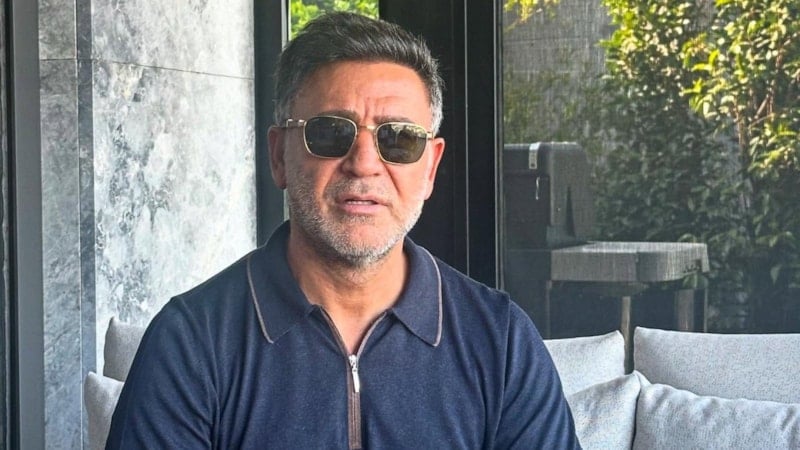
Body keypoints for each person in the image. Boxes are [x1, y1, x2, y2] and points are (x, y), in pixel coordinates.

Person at [106, 12, 580, 449]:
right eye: (331, 132)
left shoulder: (499, 342)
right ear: (279, 155)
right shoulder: (191, 341)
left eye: (399, 138)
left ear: (430, 168)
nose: (365, 164)